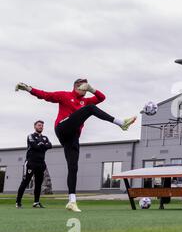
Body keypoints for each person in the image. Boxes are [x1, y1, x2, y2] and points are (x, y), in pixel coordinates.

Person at [15, 79, 137, 212]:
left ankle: (72, 202)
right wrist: (28, 89)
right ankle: (121, 123)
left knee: (73, 167)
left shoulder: (85, 101)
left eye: (86, 89)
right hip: (62, 127)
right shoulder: (65, 95)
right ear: (76, 87)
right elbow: (45, 95)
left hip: (73, 138)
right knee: (90, 109)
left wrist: (92, 89)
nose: (85, 91)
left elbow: (101, 98)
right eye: (83, 88)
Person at [16, 120, 52, 209]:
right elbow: (35, 146)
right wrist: (43, 145)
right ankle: (18, 202)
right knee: (25, 182)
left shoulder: (45, 137)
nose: (41, 127)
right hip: (30, 163)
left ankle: (36, 202)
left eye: (42, 126)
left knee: (38, 183)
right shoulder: (30, 136)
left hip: (41, 164)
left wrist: (41, 144)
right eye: (39, 125)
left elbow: (50, 145)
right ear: (35, 126)